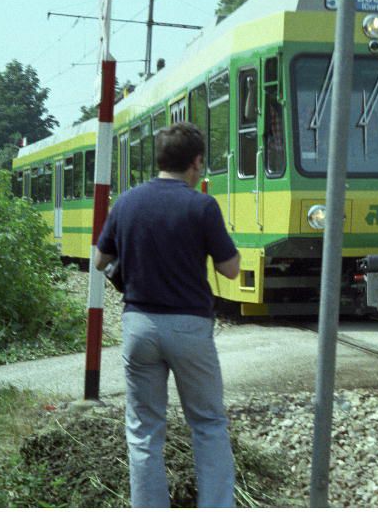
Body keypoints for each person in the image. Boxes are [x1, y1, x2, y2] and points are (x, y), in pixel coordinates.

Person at [94, 121, 241, 508]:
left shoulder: (126, 202)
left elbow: (99, 259)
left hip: (139, 326)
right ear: (195, 163)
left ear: (159, 159)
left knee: (143, 429)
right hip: (190, 328)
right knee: (208, 424)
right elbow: (230, 269)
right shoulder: (202, 205)